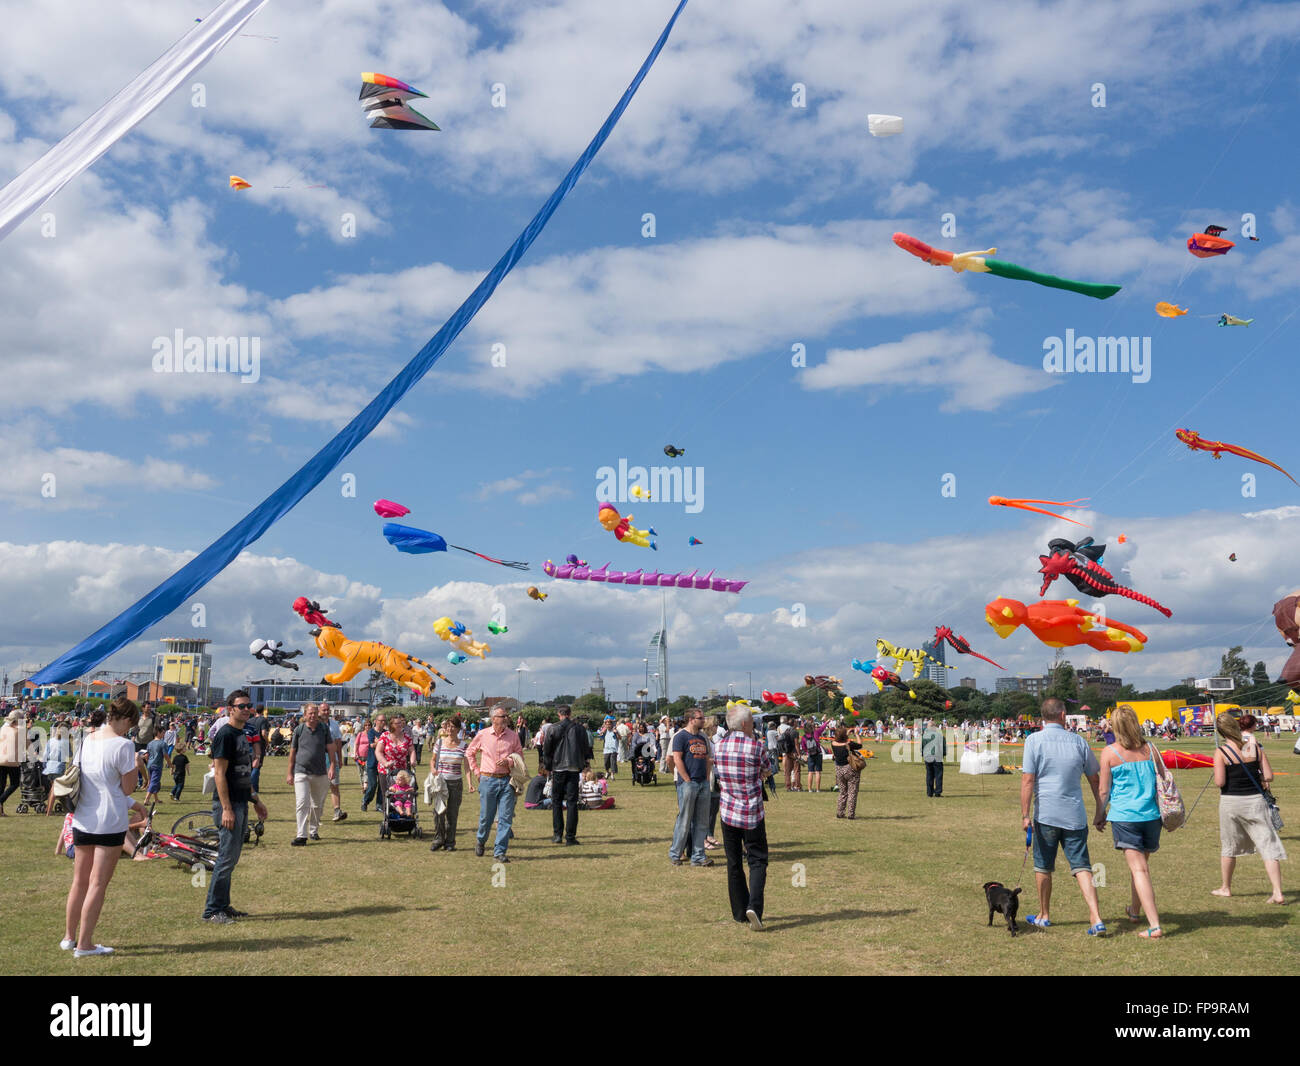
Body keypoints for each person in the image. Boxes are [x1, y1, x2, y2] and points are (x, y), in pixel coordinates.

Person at [59, 697, 146, 956]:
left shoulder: (88, 740)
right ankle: (85, 945)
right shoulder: (124, 745)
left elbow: (90, 781)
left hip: (83, 817)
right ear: (128, 720)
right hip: (109, 821)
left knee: (79, 882)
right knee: (97, 884)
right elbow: (126, 788)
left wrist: (132, 802)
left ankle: (69, 937)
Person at [1020, 698, 1106, 934]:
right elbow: (1094, 778)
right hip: (1074, 814)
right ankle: (1096, 917)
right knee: (1082, 866)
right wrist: (1100, 809)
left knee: (1043, 866)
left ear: (1042, 717)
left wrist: (1025, 814)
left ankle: (1044, 914)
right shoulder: (1079, 741)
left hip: (1046, 814)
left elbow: (1028, 779)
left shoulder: (1033, 741)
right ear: (1063, 715)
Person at [1096, 704, 1164, 938]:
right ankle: (1134, 911)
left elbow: (1104, 791)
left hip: (1126, 817)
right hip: (1151, 816)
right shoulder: (1151, 749)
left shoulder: (1109, 753)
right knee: (1140, 868)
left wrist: (1099, 813)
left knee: (1139, 869)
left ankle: (1154, 925)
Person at [204, 691, 269, 925]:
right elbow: (219, 774)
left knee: (231, 858)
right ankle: (212, 910)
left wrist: (256, 800)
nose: (246, 709)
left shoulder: (242, 733)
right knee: (225, 858)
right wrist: (227, 808)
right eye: (241, 706)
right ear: (229, 708)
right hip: (229, 804)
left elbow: (242, 773)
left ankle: (223, 905)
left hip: (241, 801)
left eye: (248, 706)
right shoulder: (225, 735)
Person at [1213, 712, 1286, 903]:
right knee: (1268, 845)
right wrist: (1259, 777)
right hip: (1255, 801)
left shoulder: (1221, 752)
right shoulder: (1252, 747)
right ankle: (1277, 892)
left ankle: (1225, 887)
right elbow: (1269, 776)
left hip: (1231, 802)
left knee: (1229, 846)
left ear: (1221, 731)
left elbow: (1220, 782)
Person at [715, 701, 773, 929]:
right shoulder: (756, 747)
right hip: (751, 813)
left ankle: (739, 911)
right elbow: (767, 769)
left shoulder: (718, 746)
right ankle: (754, 907)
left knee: (734, 862)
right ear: (746, 723)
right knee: (757, 861)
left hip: (728, 811)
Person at [466, 706, 523, 861]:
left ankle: (500, 852)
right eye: (502, 716)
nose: (506, 718)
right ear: (493, 719)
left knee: (505, 817)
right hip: (487, 780)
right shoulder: (483, 734)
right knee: (487, 816)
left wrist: (509, 761)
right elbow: (469, 752)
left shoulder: (513, 736)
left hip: (507, 780)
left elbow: (519, 755)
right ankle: (481, 840)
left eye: (506, 716)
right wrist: (476, 772)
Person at [542, 704, 593, 845]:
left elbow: (547, 749)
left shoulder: (552, 728)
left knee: (556, 801)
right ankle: (570, 837)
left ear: (559, 714)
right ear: (570, 714)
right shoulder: (579, 729)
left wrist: (548, 766)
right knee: (572, 802)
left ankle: (557, 834)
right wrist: (584, 764)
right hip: (573, 768)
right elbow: (586, 748)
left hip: (558, 767)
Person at [669, 707, 713, 867]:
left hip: (703, 783)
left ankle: (698, 856)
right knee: (684, 820)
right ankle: (675, 853)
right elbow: (677, 759)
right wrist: (687, 780)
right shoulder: (680, 736)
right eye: (700, 718)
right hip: (688, 784)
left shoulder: (703, 737)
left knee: (702, 822)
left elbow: (708, 759)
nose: (703, 720)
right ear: (691, 719)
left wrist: (707, 779)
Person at [287, 703, 332, 846]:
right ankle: (301, 835)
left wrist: (333, 765)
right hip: (301, 772)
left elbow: (331, 747)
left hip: (320, 772)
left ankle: (313, 830)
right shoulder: (299, 730)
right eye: (310, 713)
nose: (312, 716)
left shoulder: (324, 729)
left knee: (317, 805)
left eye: (315, 713)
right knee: (302, 803)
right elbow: (292, 752)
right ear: (305, 715)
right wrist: (290, 772)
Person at [429, 716, 473, 852]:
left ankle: (450, 842)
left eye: (453, 726)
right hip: (440, 782)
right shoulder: (439, 743)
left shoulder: (464, 746)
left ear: (459, 729)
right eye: (448, 726)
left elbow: (466, 767)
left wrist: (470, 783)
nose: (450, 729)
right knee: (438, 812)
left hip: (456, 783)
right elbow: (433, 760)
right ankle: (438, 839)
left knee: (452, 814)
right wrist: (433, 769)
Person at [319, 705, 348, 823]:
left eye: (327, 710)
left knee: (334, 785)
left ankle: (337, 811)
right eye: (323, 710)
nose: (326, 712)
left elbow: (338, 742)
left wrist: (340, 759)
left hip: (332, 759)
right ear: (319, 711)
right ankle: (317, 815)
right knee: (319, 788)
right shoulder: (315, 724)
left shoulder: (334, 724)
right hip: (319, 759)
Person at [830, 727, 863, 818]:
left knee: (842, 792)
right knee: (852, 792)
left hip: (839, 770)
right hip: (850, 769)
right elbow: (860, 745)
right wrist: (856, 734)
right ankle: (851, 814)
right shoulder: (849, 744)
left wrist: (846, 733)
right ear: (844, 735)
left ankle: (840, 813)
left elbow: (840, 739)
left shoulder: (833, 743)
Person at [0, 709, 24, 816]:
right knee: (14, 783)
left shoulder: (3, 729)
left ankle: (1, 811)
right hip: (12, 761)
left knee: (1, 785)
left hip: (1, 759)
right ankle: (0, 801)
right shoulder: (20, 730)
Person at [361, 712, 387, 811]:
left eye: (384, 720)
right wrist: (381, 742)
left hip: (383, 762)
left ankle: (379, 805)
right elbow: (372, 744)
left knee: (381, 785)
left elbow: (386, 745)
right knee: (372, 785)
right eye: (381, 720)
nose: (383, 722)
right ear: (376, 721)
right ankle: (365, 801)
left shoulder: (386, 733)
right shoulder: (371, 732)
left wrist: (378, 742)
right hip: (372, 762)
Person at [143, 728, 170, 807]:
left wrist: (149, 763)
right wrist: (170, 764)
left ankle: (156, 799)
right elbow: (165, 755)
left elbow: (146, 755)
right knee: (154, 782)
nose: (164, 734)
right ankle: (147, 799)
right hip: (157, 765)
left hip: (150, 765)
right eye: (163, 733)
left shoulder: (150, 743)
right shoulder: (163, 743)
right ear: (158, 733)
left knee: (155, 782)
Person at [921, 718, 947, 798]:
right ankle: (938, 792)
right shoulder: (939, 736)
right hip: (937, 757)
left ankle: (929, 792)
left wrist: (923, 754)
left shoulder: (924, 736)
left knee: (929, 775)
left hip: (928, 757)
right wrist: (944, 754)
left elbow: (922, 747)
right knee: (938, 775)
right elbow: (943, 747)